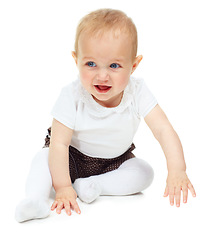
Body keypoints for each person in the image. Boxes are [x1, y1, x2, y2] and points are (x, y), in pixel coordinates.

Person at [15, 8, 196, 223]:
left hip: (115, 162)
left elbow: (163, 129)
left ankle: (94, 185)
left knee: (144, 172)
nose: (102, 75)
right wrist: (62, 186)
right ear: (76, 60)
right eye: (90, 64)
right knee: (42, 158)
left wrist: (177, 169)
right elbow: (59, 144)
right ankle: (35, 200)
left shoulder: (137, 92)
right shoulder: (71, 95)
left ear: (134, 65)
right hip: (70, 158)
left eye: (114, 65)